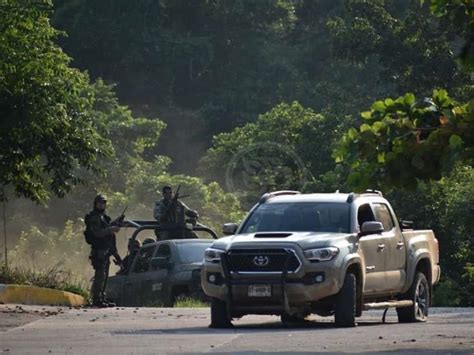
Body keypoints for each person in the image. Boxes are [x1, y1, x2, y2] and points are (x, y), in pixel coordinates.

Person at [84, 194, 122, 307]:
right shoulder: (94, 217)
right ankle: (97, 298)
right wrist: (111, 229)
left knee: (105, 275)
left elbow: (109, 235)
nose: (102, 205)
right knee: (100, 274)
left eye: (104, 203)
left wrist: (114, 224)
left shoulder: (104, 217)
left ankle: (102, 297)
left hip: (106, 249)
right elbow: (97, 233)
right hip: (98, 249)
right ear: (95, 204)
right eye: (100, 203)